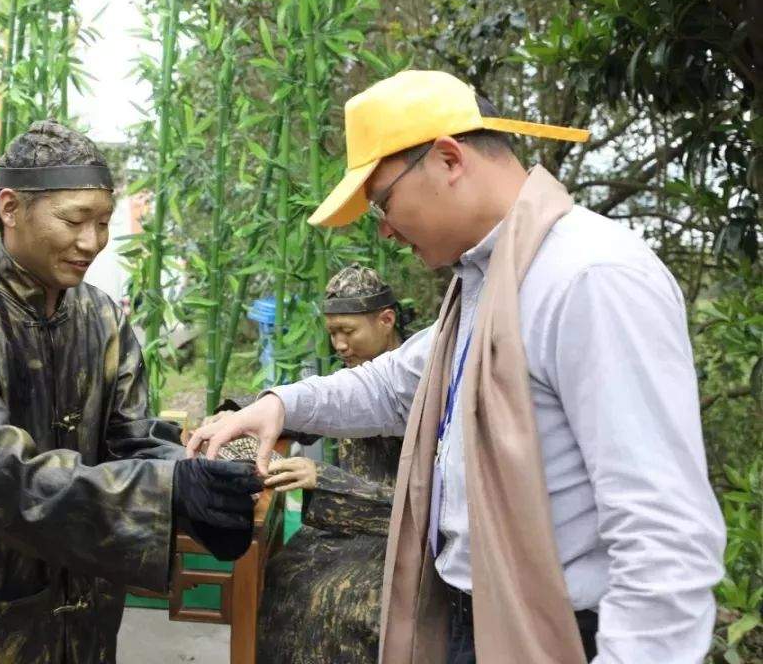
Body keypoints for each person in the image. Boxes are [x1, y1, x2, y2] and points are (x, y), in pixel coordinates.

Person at [188, 70, 726, 664]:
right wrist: (278, 406)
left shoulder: (589, 278)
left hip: (564, 633)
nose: (386, 229)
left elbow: (664, 536)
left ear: (448, 159)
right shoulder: (484, 284)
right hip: (476, 617)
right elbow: (394, 386)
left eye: (384, 202)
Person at [0, 120, 262, 663]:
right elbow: (2, 477)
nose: (91, 242)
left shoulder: (100, 318)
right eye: (74, 220)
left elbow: (130, 437)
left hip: (87, 609)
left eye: (103, 222)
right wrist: (168, 491)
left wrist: (197, 481)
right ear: (11, 209)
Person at [254, 263, 412, 664]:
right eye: (332, 334)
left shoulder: (418, 382)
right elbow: (309, 411)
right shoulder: (352, 377)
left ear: (386, 319)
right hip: (341, 522)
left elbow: (423, 503)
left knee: (340, 602)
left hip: (396, 531)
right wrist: (243, 414)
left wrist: (323, 479)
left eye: (348, 331)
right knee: (282, 573)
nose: (339, 345)